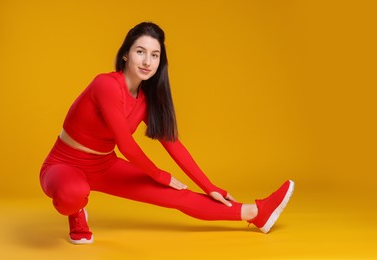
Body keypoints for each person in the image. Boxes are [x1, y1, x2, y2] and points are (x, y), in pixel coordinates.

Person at [39, 22, 294, 245]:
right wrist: (160, 175)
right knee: (73, 194)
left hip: (104, 166)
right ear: (126, 54)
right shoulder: (105, 84)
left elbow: (174, 145)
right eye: (140, 52)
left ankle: (255, 213)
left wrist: (209, 186)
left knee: (178, 196)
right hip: (64, 163)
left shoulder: (147, 101)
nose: (147, 61)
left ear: (160, 61)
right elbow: (126, 146)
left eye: (155, 55)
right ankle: (77, 212)